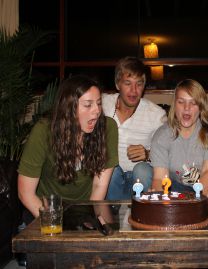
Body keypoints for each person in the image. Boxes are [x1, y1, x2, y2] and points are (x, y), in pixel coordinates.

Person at [18, 75, 118, 218]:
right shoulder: (43, 131)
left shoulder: (108, 127)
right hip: (44, 211)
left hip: (84, 211)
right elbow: (25, 193)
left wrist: (89, 219)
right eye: (88, 105)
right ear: (68, 108)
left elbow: (99, 186)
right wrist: (53, 223)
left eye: (99, 103)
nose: (97, 111)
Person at [102, 57, 166, 199]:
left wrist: (148, 154)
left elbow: (168, 153)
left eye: (139, 84)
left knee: (142, 169)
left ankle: (143, 211)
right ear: (118, 84)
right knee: (111, 170)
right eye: (128, 83)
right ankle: (112, 216)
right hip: (111, 176)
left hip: (141, 176)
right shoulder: (102, 104)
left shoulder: (157, 115)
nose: (134, 90)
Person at [150, 79, 208, 195]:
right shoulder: (161, 136)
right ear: (174, 105)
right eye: (181, 102)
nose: (186, 108)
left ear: (201, 107)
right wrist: (160, 199)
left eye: (193, 103)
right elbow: (159, 178)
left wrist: (197, 200)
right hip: (173, 187)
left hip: (204, 187)